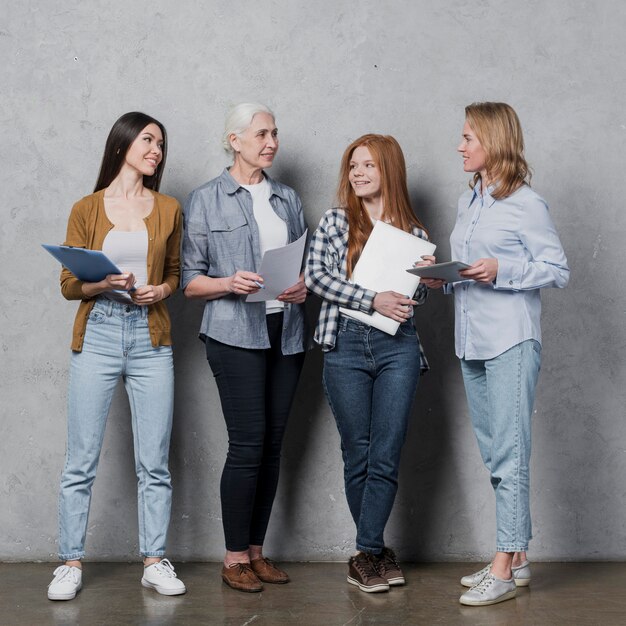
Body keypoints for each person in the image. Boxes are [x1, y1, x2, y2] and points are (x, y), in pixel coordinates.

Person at [422, 102, 569, 606]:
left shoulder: (527, 203)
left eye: (467, 138)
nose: (459, 147)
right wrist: (441, 271)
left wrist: (501, 271)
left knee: (510, 453)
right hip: (472, 340)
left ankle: (504, 566)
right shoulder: (472, 202)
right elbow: (469, 269)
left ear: (492, 141)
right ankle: (520, 557)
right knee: (493, 451)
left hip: (511, 339)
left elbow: (557, 269)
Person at [48, 112, 186, 601]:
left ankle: (154, 560)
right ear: (123, 143)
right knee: (80, 459)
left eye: (161, 145)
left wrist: (160, 291)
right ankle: (69, 562)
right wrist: (102, 283)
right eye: (148, 140)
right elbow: (69, 286)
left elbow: (175, 274)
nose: (156, 151)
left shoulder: (168, 207)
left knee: (154, 460)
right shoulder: (87, 207)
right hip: (100, 334)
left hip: (151, 337)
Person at [182, 103, 307, 593]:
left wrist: (302, 287)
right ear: (235, 140)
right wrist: (227, 282)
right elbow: (189, 282)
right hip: (234, 335)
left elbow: (304, 266)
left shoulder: (288, 198)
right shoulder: (206, 200)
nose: (271, 141)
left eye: (275, 132)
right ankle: (234, 557)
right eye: (261, 133)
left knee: (273, 447)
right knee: (248, 445)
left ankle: (256, 552)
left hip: (286, 333)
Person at [305, 134, 432, 593]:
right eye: (353, 166)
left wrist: (425, 281)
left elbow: (409, 301)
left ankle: (366, 552)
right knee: (357, 450)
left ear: (389, 171)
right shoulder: (336, 221)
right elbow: (317, 277)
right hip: (345, 343)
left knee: (385, 452)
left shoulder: (414, 235)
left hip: (398, 347)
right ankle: (375, 553)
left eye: (368, 166)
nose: (357, 173)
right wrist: (371, 297)